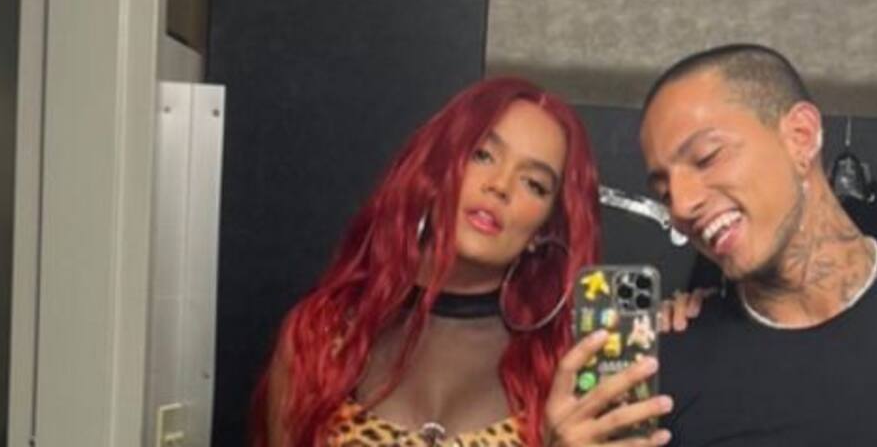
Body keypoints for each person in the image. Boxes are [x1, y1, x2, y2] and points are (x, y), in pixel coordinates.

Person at [546, 44, 877, 446]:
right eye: (663, 189)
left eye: (707, 157)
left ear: (800, 136)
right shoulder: (663, 366)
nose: (682, 204)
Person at [254, 77, 685, 447]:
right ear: (437, 169)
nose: (500, 185)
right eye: (482, 155)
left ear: (543, 229)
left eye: (534, 184)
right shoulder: (322, 335)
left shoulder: (565, 366)